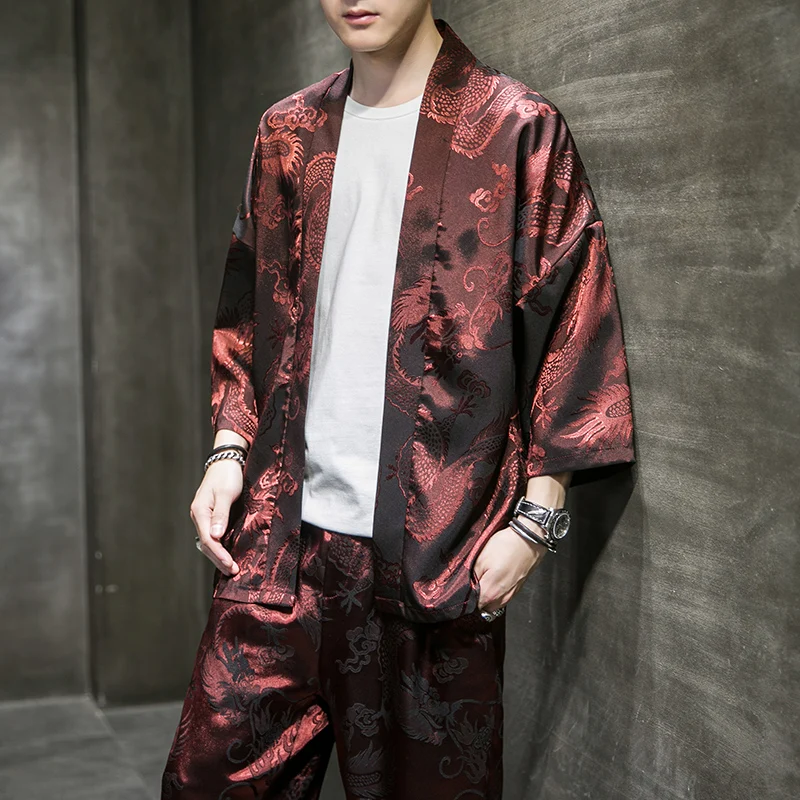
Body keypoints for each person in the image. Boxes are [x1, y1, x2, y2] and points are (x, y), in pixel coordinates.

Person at [161, 2, 636, 798]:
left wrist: (536, 521)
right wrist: (228, 451)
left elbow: (573, 328)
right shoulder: (286, 133)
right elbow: (248, 315)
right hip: (278, 551)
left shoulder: (516, 130)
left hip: (435, 562)